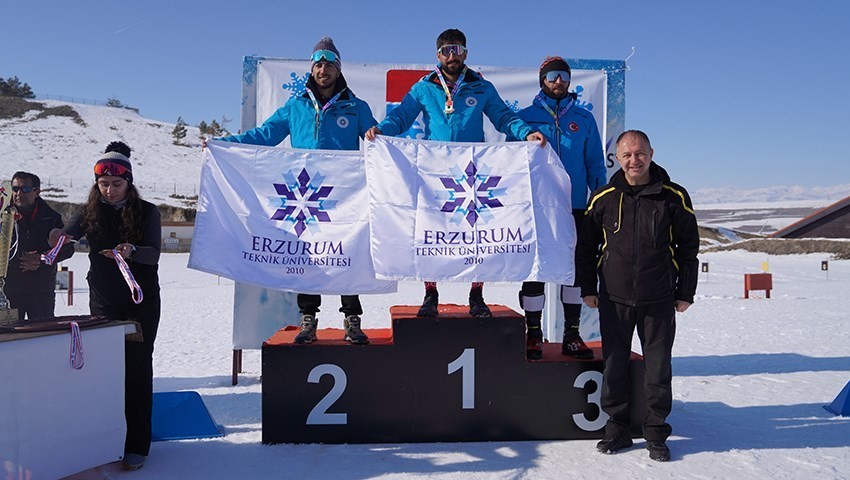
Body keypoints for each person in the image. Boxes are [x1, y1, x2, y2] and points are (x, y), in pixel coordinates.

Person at [365, 28, 546, 318]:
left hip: (472, 171)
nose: (453, 55)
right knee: (432, 228)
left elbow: (503, 117)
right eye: (447, 50)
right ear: (438, 54)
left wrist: (526, 133)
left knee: (477, 230)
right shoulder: (424, 87)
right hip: (433, 171)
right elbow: (401, 117)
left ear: (466, 53)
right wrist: (382, 131)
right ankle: (430, 292)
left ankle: (477, 293)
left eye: (458, 49)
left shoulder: (481, 87)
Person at [218, 36, 376, 345]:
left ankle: (352, 319)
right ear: (312, 69)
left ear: (338, 69)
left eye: (329, 64)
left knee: (347, 253)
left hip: (343, 198)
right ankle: (308, 319)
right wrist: (226, 144)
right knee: (308, 257)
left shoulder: (356, 107)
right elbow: (264, 135)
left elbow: (376, 142)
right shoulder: (296, 106)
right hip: (305, 196)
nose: (323, 70)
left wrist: (376, 135)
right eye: (318, 64)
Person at [575, 130, 699, 462]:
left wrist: (685, 291)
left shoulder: (673, 196)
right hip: (613, 299)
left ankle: (656, 433)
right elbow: (586, 249)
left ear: (651, 153)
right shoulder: (603, 198)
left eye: (640, 153)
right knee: (614, 365)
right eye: (628, 155)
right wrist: (587, 288)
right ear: (617, 157)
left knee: (658, 369)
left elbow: (689, 248)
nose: (635, 160)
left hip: (658, 299)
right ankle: (617, 429)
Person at [50, 141, 162, 471]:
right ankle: (105, 439)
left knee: (137, 371)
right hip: (102, 302)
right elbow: (66, 240)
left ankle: (136, 444)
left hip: (140, 304)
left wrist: (134, 251)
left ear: (129, 182)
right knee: (105, 373)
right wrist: (57, 239)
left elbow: (154, 254)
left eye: (116, 184)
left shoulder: (147, 212)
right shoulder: (89, 211)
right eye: (103, 185)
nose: (109, 191)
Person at [510, 57, 607, 360]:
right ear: (542, 80)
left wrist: (599, 199)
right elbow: (508, 163)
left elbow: (594, 163)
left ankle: (572, 335)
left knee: (573, 272)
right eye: (552, 75)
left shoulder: (583, 118)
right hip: (536, 207)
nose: (559, 81)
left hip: (575, 206)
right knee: (535, 269)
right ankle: (534, 334)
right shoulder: (523, 119)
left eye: (564, 75)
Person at [5, 171, 74, 320]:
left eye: (25, 189)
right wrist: (20, 259)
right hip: (9, 290)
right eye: (15, 189)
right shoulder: (3, 215)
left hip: (41, 292)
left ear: (37, 192)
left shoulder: (51, 217)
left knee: (42, 336)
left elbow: (68, 249)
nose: (19, 194)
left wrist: (41, 260)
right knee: (9, 337)